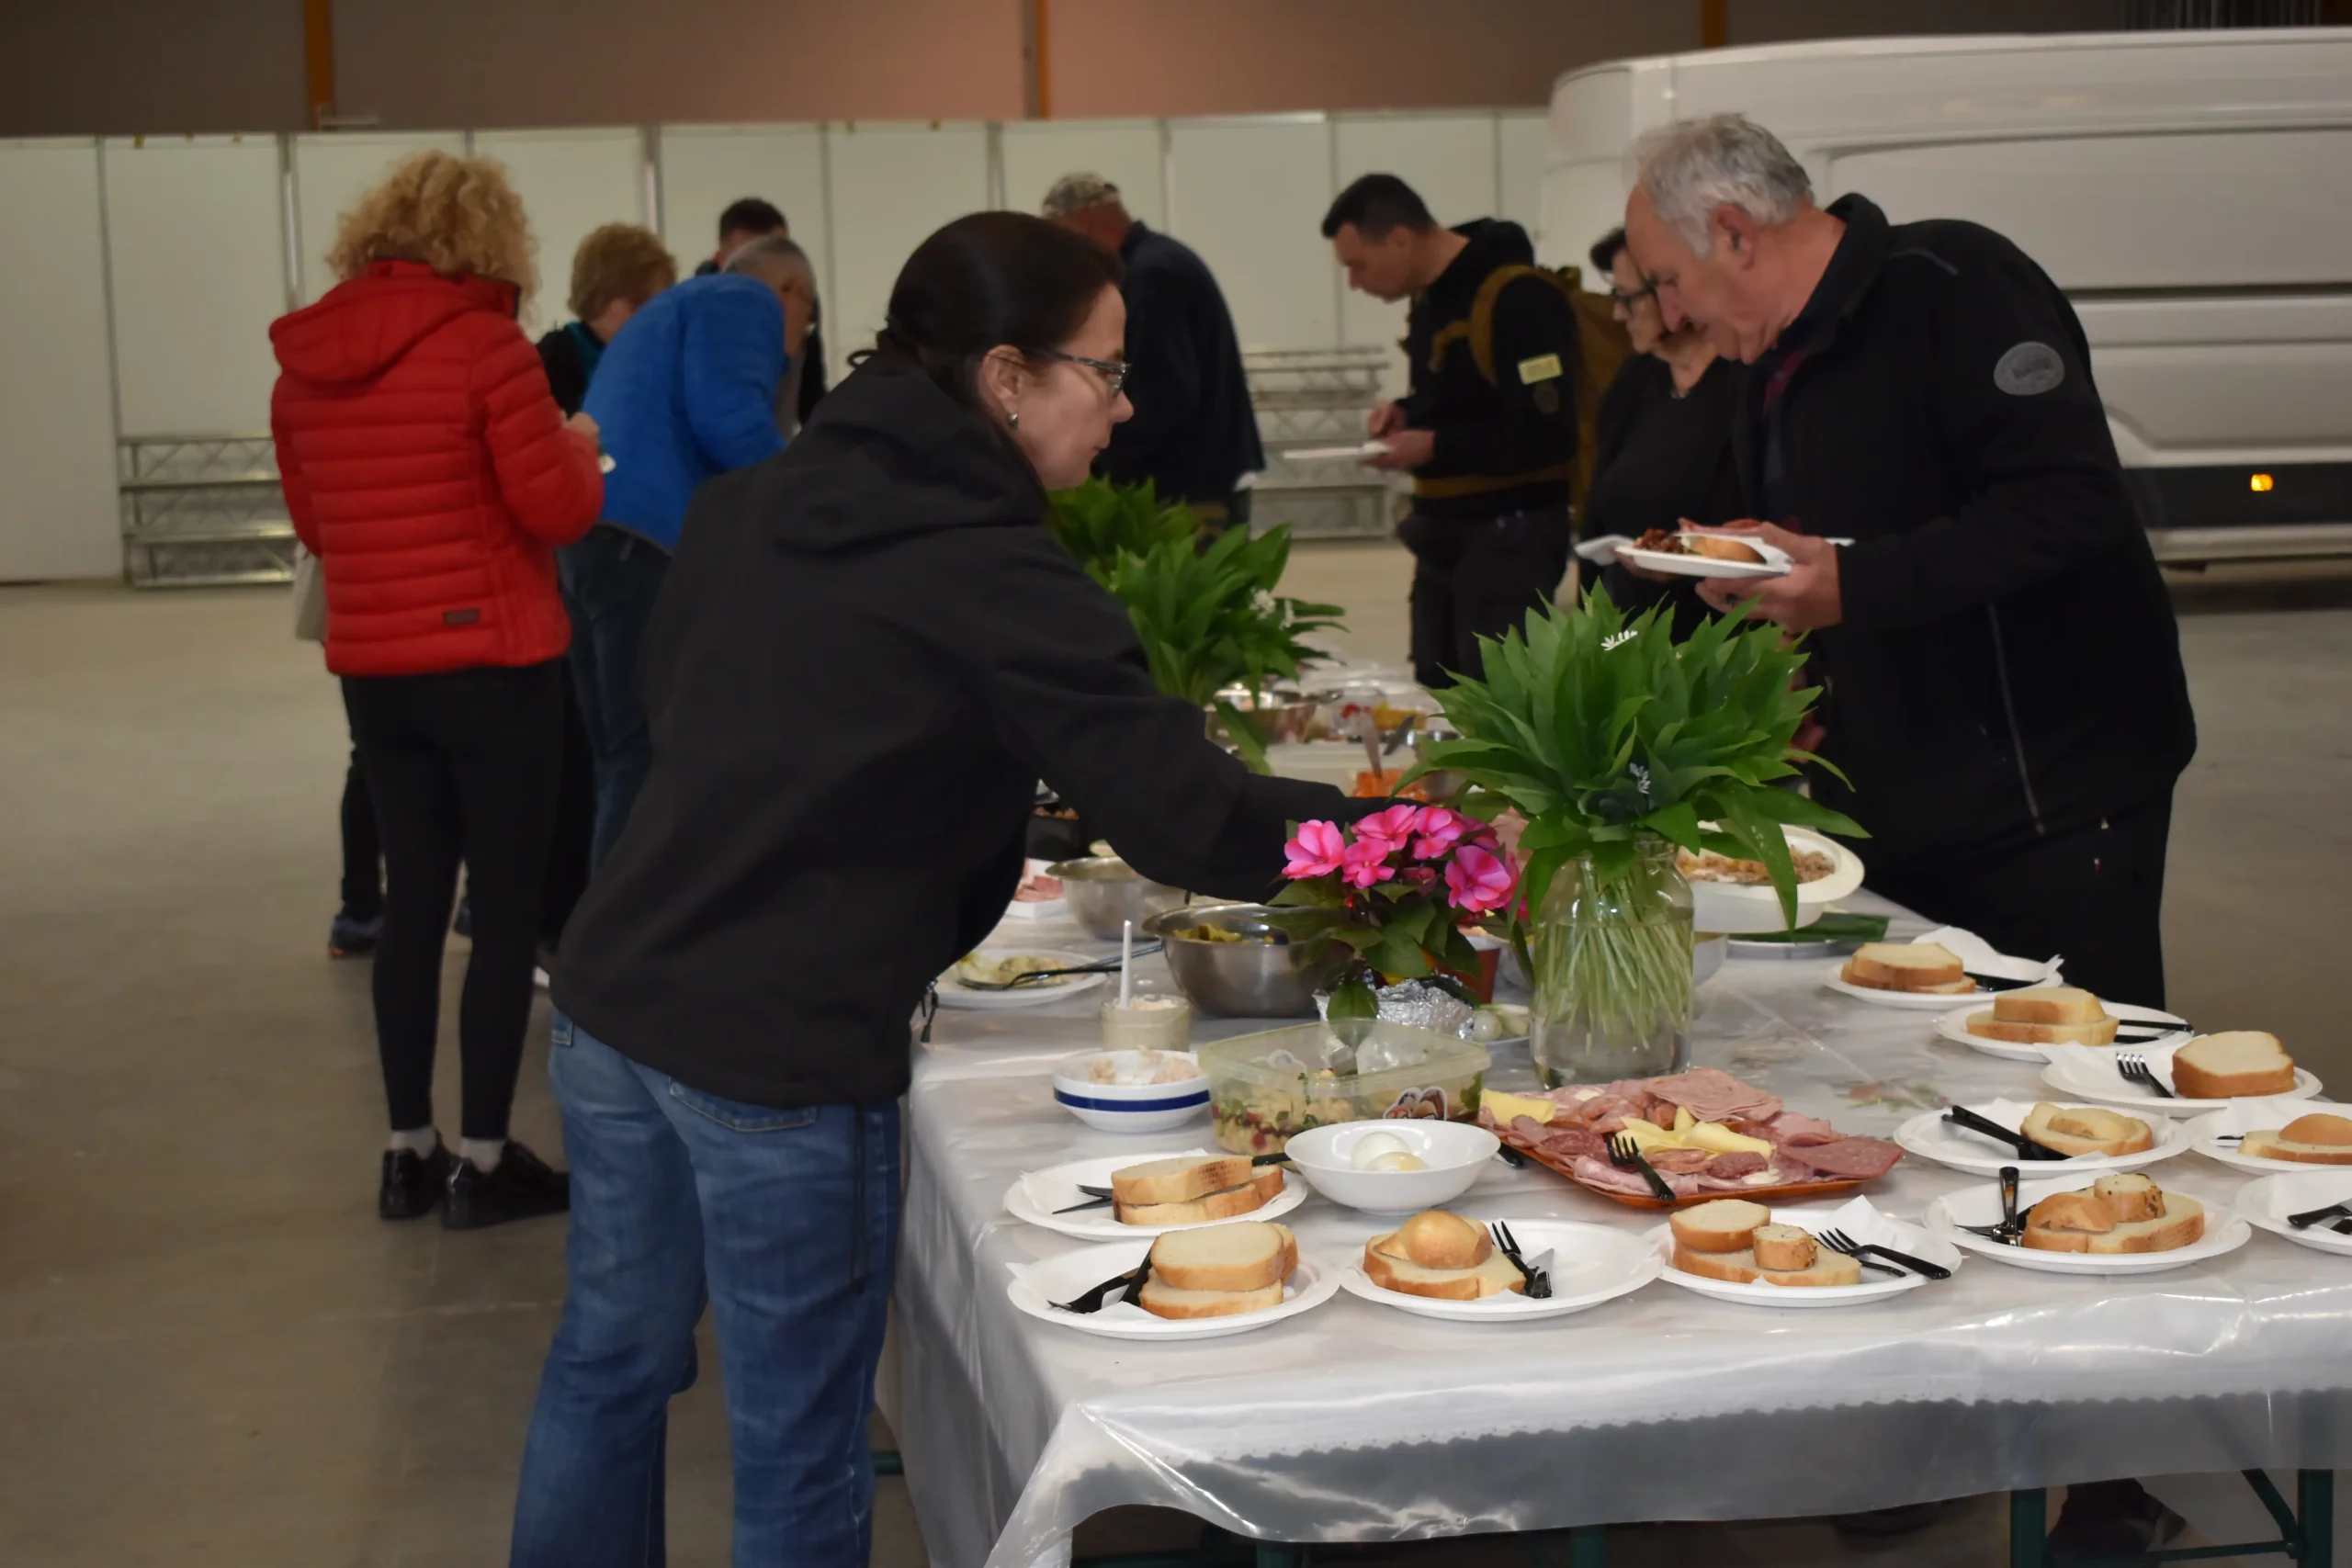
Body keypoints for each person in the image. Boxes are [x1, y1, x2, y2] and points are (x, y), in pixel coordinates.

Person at [509, 211, 1375, 1566]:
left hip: (616, 1000)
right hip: (780, 1048)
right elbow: (1183, 812)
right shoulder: (990, 565)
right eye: (1106, 370)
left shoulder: (753, 502)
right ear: (1006, 377)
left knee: (607, 1366)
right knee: (797, 1441)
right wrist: (1403, 835)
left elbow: (702, 712)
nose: (1126, 405)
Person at [1620, 114, 2196, 1010]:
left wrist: (1848, 586)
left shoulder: (1954, 286)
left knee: (2065, 1048)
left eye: (1666, 280)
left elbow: (2069, 503)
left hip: (2046, 796)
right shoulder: (1771, 364)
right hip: (1898, 788)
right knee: (1925, 1052)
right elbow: (1857, 528)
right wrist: (1777, 592)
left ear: (1734, 232)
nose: (1670, 314)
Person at [268, 150, 603, 1228]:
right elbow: (556, 510)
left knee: (412, 902)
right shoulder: (488, 349)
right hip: (496, 666)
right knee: (504, 915)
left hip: (377, 673)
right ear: (489, 241)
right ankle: (485, 1160)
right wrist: (578, 444)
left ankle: (406, 1151)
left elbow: (317, 528)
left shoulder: (303, 367)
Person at [566, 236, 814, 867]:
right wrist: (814, 504)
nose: (797, 343)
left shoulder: (677, 307)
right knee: (647, 759)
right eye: (806, 319)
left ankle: (606, 919)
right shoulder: (746, 299)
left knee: (619, 757)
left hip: (588, 535)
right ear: (790, 291)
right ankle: (621, 929)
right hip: (642, 543)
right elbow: (730, 420)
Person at [1323, 173, 1581, 688]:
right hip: (1443, 538)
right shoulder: (1430, 300)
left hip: (1511, 539)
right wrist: (1406, 413)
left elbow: (1548, 435)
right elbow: (1462, 397)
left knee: (1502, 699)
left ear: (1400, 239)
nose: (1354, 283)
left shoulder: (1518, 298)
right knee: (1436, 689)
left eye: (1357, 265)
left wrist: (1434, 445)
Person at [1042, 172, 1264, 529]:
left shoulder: (1152, 275)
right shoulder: (1159, 260)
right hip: (1201, 475)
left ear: (1084, 222)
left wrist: (1096, 461)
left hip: (1187, 489)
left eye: (1062, 239)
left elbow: (1164, 393)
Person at [1582, 225, 1744, 635]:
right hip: (1631, 630)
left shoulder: (1746, 380)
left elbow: (1763, 530)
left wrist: (1685, 558)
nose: (1618, 314)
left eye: (1627, 298)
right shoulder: (1636, 378)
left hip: (1722, 637)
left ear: (1675, 288)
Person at [696, 197, 828, 429]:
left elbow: (811, 396)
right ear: (721, 260)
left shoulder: (799, 301)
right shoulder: (695, 316)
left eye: (779, 256)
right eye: (749, 262)